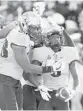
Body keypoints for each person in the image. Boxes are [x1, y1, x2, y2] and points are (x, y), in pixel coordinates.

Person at [0, 11, 54, 110]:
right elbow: (27, 67)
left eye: (38, 27)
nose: (37, 31)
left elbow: (25, 73)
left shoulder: (24, 38)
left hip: (15, 81)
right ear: (24, 25)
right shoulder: (18, 36)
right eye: (34, 27)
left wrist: (40, 86)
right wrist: (50, 68)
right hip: (5, 81)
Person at [24, 24, 79, 110]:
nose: (56, 39)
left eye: (58, 37)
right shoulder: (42, 52)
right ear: (47, 39)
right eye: (53, 37)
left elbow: (75, 77)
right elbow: (29, 74)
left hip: (62, 94)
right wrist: (40, 86)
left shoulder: (68, 52)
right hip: (47, 93)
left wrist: (73, 90)